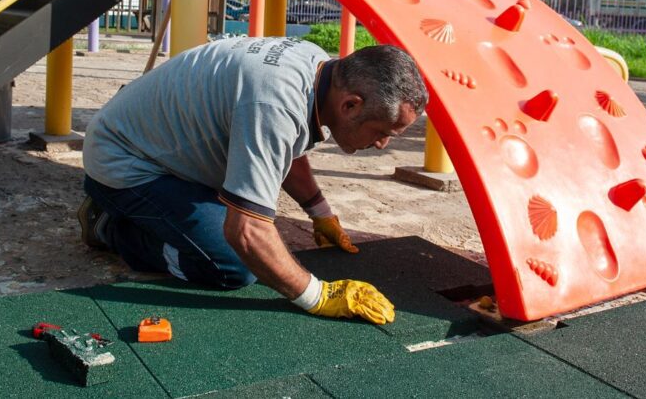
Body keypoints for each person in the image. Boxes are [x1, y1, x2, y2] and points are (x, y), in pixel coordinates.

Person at [78, 36, 428, 325]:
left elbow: (284, 146)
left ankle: (142, 216)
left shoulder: (319, 67)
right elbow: (245, 231)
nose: (381, 145)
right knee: (233, 266)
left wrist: (319, 212)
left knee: (255, 242)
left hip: (155, 146)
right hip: (125, 161)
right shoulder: (276, 101)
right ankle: (110, 227)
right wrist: (318, 296)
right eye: (383, 132)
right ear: (351, 105)